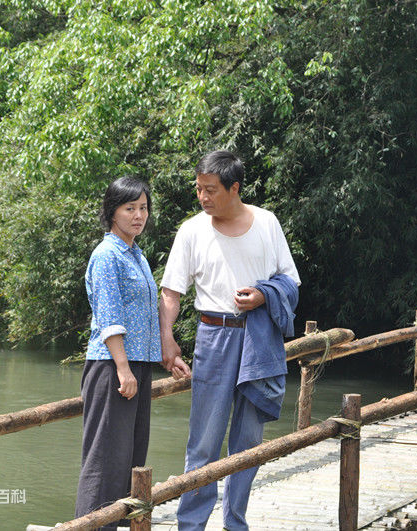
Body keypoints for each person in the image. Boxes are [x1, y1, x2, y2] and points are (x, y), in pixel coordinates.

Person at [160, 150, 300, 530]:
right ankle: (191, 525)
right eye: (198, 189)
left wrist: (262, 296)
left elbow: (291, 280)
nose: (202, 197)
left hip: (260, 338)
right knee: (204, 441)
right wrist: (167, 337)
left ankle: (235, 521)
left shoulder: (267, 223)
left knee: (248, 441)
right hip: (214, 337)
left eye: (210, 190)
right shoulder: (192, 230)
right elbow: (171, 292)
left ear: (234, 188)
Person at [75, 176, 189, 527]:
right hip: (113, 366)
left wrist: (166, 355)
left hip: (135, 365)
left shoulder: (135, 253)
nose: (139, 215)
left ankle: (121, 523)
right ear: (112, 212)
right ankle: (93, 525)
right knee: (104, 459)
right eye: (130, 208)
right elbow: (109, 317)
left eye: (143, 208)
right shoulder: (107, 255)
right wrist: (122, 369)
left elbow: (145, 316)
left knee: (130, 456)